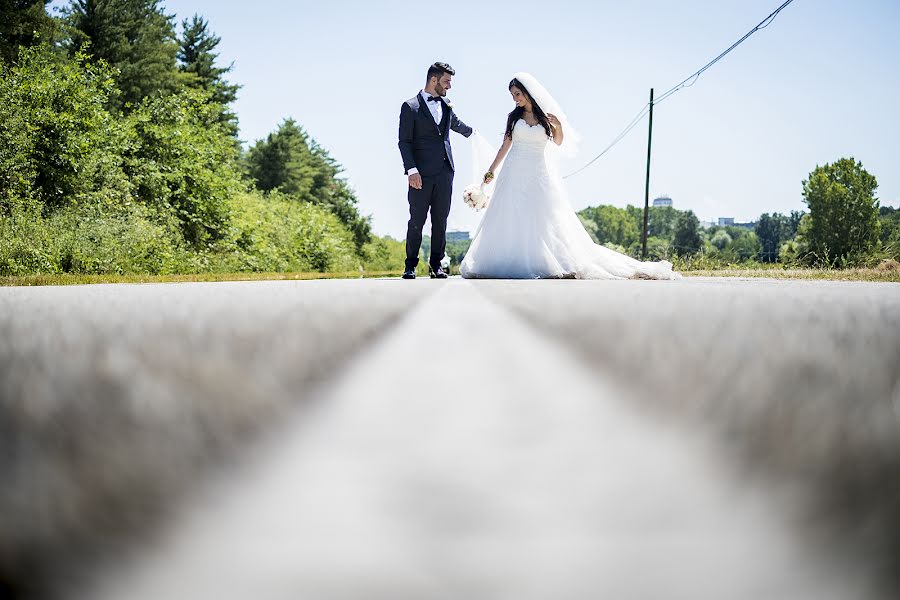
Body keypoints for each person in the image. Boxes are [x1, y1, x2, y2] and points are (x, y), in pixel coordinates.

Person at [460, 73, 681, 281]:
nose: (515, 99)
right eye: (512, 95)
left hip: (537, 172)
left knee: (541, 215)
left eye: (517, 94)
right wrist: (491, 171)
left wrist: (558, 126)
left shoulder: (545, 118)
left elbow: (557, 142)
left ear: (527, 92)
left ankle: (546, 261)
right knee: (509, 213)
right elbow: (504, 146)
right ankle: (508, 260)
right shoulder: (513, 118)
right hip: (513, 170)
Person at [398, 62, 474, 279]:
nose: (449, 86)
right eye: (446, 81)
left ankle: (436, 265)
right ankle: (410, 265)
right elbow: (404, 142)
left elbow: (456, 124)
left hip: (445, 172)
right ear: (434, 80)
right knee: (417, 221)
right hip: (419, 175)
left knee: (440, 221)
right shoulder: (410, 107)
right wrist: (411, 170)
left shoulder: (447, 104)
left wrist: (475, 135)